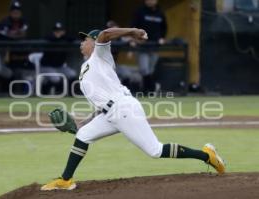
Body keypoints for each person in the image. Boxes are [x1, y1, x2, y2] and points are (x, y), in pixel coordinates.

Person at [40, 28, 225, 191]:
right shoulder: (86, 67)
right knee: (83, 134)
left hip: (124, 108)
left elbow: (105, 34)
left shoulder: (100, 55)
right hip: (111, 112)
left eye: (86, 39)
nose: (82, 43)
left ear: (95, 43)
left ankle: (207, 156)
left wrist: (133, 31)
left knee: (155, 150)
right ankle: (65, 180)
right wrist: (83, 123)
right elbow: (103, 104)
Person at [132, 0, 167, 93]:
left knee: (150, 70)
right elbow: (133, 27)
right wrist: (136, 39)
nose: (150, 1)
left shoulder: (160, 13)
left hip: (155, 46)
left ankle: (145, 91)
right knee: (144, 69)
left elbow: (164, 28)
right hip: (142, 46)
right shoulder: (140, 12)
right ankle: (153, 87)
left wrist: (162, 38)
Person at [40, 22, 77, 94]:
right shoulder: (48, 38)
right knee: (56, 79)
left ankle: (70, 94)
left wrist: (62, 36)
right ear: (53, 31)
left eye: (60, 31)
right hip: (46, 66)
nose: (58, 32)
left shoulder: (65, 38)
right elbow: (49, 37)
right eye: (56, 31)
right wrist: (58, 37)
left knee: (72, 74)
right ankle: (45, 91)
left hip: (59, 67)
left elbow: (73, 38)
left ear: (64, 31)